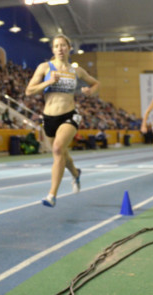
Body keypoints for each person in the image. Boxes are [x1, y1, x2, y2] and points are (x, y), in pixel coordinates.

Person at [25, 34, 100, 207]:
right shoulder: (44, 67)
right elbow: (29, 91)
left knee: (58, 150)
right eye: (56, 46)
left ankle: (51, 195)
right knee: (63, 155)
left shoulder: (76, 71)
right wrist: (48, 82)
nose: (60, 48)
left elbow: (96, 84)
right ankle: (75, 173)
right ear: (53, 49)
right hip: (49, 117)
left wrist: (91, 91)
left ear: (69, 48)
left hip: (69, 115)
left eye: (63, 45)